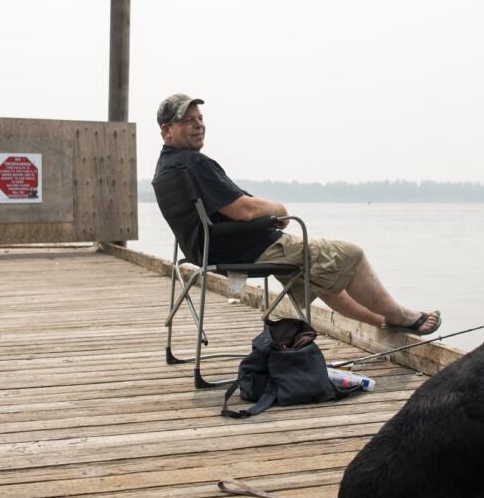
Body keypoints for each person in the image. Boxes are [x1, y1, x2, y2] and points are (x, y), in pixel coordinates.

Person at [154, 93, 441, 335]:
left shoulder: (165, 170)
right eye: (188, 121)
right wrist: (279, 210)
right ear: (167, 130)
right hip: (249, 250)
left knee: (319, 271)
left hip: (210, 252)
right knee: (350, 254)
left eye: (200, 119)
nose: (198, 125)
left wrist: (261, 218)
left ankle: (381, 321)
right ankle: (401, 316)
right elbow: (243, 209)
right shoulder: (193, 164)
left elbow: (223, 211)